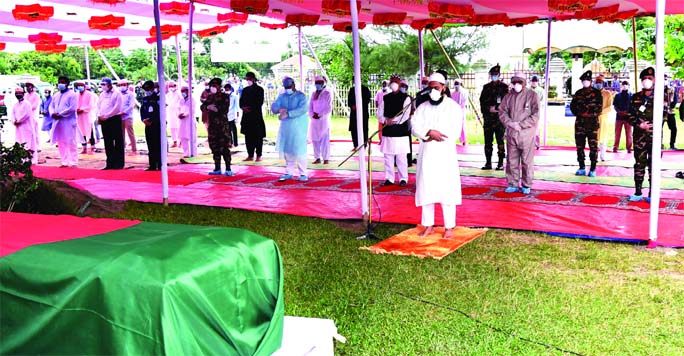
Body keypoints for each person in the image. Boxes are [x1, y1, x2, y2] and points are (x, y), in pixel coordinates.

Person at [410, 72, 462, 239]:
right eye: (430, 87)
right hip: (427, 153)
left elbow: (455, 130)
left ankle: (449, 227)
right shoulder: (422, 107)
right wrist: (428, 132)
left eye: (436, 87)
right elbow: (414, 125)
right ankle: (428, 225)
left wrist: (437, 135)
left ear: (444, 88)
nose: (433, 90)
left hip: (445, 153)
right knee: (427, 188)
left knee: (446, 189)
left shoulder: (453, 107)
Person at [498, 72, 540, 194]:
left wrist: (521, 125)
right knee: (512, 160)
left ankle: (526, 184)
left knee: (527, 161)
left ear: (524, 82)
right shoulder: (508, 97)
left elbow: (536, 115)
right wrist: (510, 123)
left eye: (519, 82)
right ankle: (512, 183)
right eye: (514, 82)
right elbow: (502, 112)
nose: (516, 84)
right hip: (512, 133)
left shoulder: (532, 95)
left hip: (526, 134)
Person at [271, 76, 309, 181]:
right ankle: (289, 172)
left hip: (299, 127)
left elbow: (303, 109)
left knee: (299, 149)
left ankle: (303, 173)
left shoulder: (301, 96)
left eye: (288, 86)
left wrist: (289, 113)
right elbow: (274, 107)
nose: (287, 88)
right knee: (287, 149)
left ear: (293, 85)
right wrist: (279, 109)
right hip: (286, 128)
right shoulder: (282, 96)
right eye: (285, 86)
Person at [627, 67, 656, 202]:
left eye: (649, 79)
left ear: (655, 80)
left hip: (654, 137)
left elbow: (666, 114)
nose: (647, 81)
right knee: (639, 163)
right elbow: (629, 115)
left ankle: (652, 192)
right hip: (639, 137)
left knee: (653, 165)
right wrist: (639, 124)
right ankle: (638, 191)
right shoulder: (635, 97)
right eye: (644, 79)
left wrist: (654, 124)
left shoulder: (661, 96)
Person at [377, 75, 411, 186]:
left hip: (401, 132)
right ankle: (389, 178)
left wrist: (394, 120)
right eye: (392, 81)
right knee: (388, 157)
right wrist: (385, 121)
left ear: (400, 83)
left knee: (401, 157)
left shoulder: (406, 98)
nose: (393, 83)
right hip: (388, 131)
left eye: (395, 81)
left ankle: (403, 178)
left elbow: (405, 115)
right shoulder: (386, 98)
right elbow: (379, 113)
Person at [570, 70, 602, 177]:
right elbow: (573, 107)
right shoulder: (578, 93)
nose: (585, 82)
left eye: (587, 80)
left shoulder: (597, 93)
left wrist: (589, 114)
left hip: (592, 124)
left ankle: (593, 168)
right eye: (584, 80)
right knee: (580, 147)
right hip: (580, 124)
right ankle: (582, 167)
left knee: (593, 147)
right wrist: (581, 113)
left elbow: (599, 108)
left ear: (591, 81)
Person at [201, 78, 233, 176]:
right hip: (212, 126)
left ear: (219, 86)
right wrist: (207, 107)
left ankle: (228, 168)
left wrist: (216, 109)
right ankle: (217, 168)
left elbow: (225, 109)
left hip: (222, 126)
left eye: (215, 86)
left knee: (224, 147)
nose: (213, 88)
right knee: (214, 147)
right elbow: (202, 106)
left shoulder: (225, 96)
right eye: (212, 86)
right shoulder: (210, 97)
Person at [479, 64, 508, 170]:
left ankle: (500, 163)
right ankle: (488, 163)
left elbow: (506, 102)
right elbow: (481, 102)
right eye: (492, 74)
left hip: (499, 120)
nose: (494, 76)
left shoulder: (504, 87)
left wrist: (496, 108)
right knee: (488, 142)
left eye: (496, 74)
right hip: (488, 120)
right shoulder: (486, 87)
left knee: (500, 141)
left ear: (499, 75)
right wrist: (488, 109)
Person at [48, 76, 79, 167]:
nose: (60, 84)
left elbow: (72, 108)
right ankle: (64, 161)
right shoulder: (56, 95)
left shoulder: (72, 94)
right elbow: (51, 106)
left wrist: (61, 114)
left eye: (62, 82)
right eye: (59, 82)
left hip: (68, 121)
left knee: (71, 141)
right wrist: (52, 113)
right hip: (58, 122)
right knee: (61, 142)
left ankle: (73, 162)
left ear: (67, 84)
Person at [96, 77, 124, 170]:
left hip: (114, 118)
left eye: (104, 84)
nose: (103, 86)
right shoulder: (102, 94)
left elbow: (117, 108)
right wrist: (99, 115)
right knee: (108, 142)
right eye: (102, 85)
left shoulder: (117, 93)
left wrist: (108, 115)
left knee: (118, 141)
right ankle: (110, 163)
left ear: (110, 84)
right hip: (104, 120)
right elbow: (98, 106)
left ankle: (118, 163)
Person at [240, 72, 266, 162]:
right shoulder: (245, 90)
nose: (248, 81)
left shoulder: (259, 89)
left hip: (256, 116)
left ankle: (259, 155)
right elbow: (241, 101)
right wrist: (243, 107)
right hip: (246, 116)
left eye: (249, 79)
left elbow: (260, 102)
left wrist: (250, 108)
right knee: (248, 136)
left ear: (254, 79)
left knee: (258, 136)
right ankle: (250, 155)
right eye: (247, 79)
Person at [11, 87, 38, 164]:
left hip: (26, 126)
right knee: (19, 142)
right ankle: (21, 159)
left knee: (27, 143)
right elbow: (12, 114)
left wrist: (19, 120)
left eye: (19, 93)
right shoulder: (15, 105)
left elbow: (27, 114)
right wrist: (14, 121)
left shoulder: (27, 103)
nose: (18, 94)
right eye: (16, 93)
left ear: (23, 94)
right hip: (18, 127)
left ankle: (29, 160)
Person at [309, 76, 333, 164]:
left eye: (319, 82)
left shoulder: (327, 93)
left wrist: (319, 115)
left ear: (323, 83)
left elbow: (328, 107)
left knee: (324, 139)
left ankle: (326, 158)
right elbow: (310, 106)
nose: (317, 84)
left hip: (323, 119)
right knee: (315, 139)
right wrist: (312, 114)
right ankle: (317, 157)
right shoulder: (313, 93)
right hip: (314, 120)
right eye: (316, 83)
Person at [140, 81, 161, 170]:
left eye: (148, 89)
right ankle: (152, 165)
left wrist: (152, 120)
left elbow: (159, 112)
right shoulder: (145, 99)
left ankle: (159, 164)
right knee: (150, 144)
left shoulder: (158, 98)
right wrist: (143, 120)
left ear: (153, 89)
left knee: (157, 144)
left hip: (156, 124)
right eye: (145, 90)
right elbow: (142, 110)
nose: (147, 91)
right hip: (147, 124)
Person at [595, 75, 614, 161]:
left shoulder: (607, 94)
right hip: (593, 118)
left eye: (600, 82)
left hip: (603, 119)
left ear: (603, 83)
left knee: (603, 137)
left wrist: (600, 112)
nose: (598, 84)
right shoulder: (593, 93)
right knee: (594, 137)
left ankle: (603, 155)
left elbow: (609, 107)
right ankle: (594, 155)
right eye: (597, 82)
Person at [347, 83, 371, 149]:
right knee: (354, 129)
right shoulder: (352, 90)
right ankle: (355, 145)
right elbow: (349, 101)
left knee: (364, 128)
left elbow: (368, 100)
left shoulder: (365, 89)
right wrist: (352, 106)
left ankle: (364, 145)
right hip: (354, 113)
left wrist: (360, 105)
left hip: (363, 113)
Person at [75, 81, 95, 154]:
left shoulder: (89, 94)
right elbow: (74, 104)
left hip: (87, 115)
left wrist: (82, 109)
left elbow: (91, 105)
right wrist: (76, 109)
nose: (80, 87)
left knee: (89, 131)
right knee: (81, 132)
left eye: (81, 85)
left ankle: (92, 148)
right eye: (78, 85)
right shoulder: (76, 95)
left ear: (84, 86)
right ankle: (84, 148)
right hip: (79, 116)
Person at [612, 81, 633, 153]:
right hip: (619, 117)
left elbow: (633, 106)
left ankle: (629, 148)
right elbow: (615, 106)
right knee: (617, 133)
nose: (624, 86)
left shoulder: (631, 95)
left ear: (629, 86)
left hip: (628, 118)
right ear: (621, 86)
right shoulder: (617, 96)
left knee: (629, 134)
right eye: (623, 85)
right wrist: (619, 112)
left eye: (626, 85)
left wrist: (628, 113)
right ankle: (615, 147)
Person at [118, 80, 137, 155]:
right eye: (121, 85)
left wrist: (124, 112)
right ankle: (122, 148)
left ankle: (134, 150)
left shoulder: (131, 94)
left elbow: (131, 106)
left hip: (128, 116)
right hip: (119, 116)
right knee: (120, 133)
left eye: (124, 84)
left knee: (130, 133)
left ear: (127, 85)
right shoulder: (119, 94)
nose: (122, 86)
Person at [178, 85, 196, 158]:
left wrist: (185, 115)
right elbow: (178, 109)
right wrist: (179, 115)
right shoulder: (181, 100)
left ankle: (193, 153)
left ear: (188, 91)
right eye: (181, 91)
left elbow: (192, 110)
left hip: (189, 120)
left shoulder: (192, 100)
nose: (182, 93)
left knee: (191, 136)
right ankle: (186, 153)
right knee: (183, 137)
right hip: (182, 121)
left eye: (184, 91)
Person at [23, 81, 41, 153]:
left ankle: (37, 146)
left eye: (29, 86)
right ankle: (28, 146)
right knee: (27, 131)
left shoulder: (36, 95)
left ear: (32, 87)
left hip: (33, 116)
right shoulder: (25, 95)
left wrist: (27, 108)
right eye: (26, 86)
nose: (27, 88)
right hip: (26, 116)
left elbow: (35, 106)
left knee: (35, 132)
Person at [529, 75, 545, 149]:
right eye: (533, 81)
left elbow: (543, 101)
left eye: (535, 81)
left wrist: (537, 105)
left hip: (537, 112)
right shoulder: (527, 89)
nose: (534, 83)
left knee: (537, 128)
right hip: (528, 112)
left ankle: (537, 143)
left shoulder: (541, 90)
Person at [451, 79, 468, 145]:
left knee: (462, 125)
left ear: (460, 84)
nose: (456, 85)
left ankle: (464, 141)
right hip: (453, 111)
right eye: (455, 84)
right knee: (453, 125)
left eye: (457, 84)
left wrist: (458, 108)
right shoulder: (452, 92)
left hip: (461, 111)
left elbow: (464, 103)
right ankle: (452, 140)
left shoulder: (464, 92)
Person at [165, 81, 181, 148]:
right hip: (171, 112)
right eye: (170, 86)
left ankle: (180, 141)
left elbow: (181, 101)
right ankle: (174, 141)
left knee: (178, 127)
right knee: (172, 127)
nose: (171, 88)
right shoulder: (170, 93)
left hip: (177, 112)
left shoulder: (178, 93)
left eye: (172, 86)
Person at [663, 79, 677, 150]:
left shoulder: (671, 89)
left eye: (665, 79)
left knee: (674, 128)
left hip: (670, 112)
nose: (664, 81)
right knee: (658, 129)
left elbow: (675, 100)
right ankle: (659, 144)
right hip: (660, 112)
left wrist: (670, 106)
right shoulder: (656, 89)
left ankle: (672, 144)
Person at [224, 83, 239, 147]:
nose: (226, 91)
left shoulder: (234, 96)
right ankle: (230, 142)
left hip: (232, 114)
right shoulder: (224, 96)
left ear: (230, 89)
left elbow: (237, 106)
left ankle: (235, 143)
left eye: (227, 89)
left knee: (234, 129)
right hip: (226, 114)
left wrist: (237, 115)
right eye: (225, 89)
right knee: (228, 130)